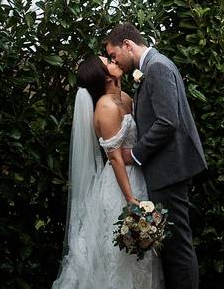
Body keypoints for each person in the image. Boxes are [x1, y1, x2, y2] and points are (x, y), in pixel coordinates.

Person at [104, 23, 207, 289]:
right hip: (167, 169)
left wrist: (135, 154)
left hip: (170, 169)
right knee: (172, 247)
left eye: (114, 55)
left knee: (178, 248)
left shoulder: (157, 67)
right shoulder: (149, 68)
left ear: (128, 45)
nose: (115, 61)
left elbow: (167, 121)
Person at [52, 55, 164, 289]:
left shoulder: (124, 98)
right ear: (105, 76)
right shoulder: (105, 106)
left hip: (140, 175)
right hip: (120, 184)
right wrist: (130, 199)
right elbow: (114, 158)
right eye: (109, 62)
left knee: (141, 257)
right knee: (118, 256)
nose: (116, 62)